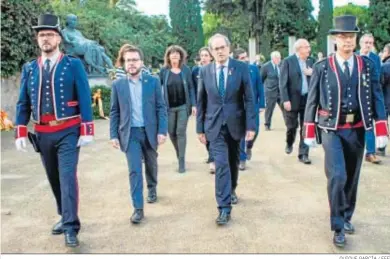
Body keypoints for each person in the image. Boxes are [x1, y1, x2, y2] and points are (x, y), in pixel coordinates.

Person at [303, 15, 388, 247]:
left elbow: (377, 96)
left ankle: (347, 215)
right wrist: (309, 130)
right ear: (335, 40)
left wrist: (381, 127)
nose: (348, 41)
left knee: (351, 177)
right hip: (332, 130)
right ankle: (338, 225)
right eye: (343, 37)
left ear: (356, 39)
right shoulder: (323, 67)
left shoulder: (367, 66)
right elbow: (311, 100)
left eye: (351, 36)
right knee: (337, 176)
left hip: (358, 129)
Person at [14, 14, 94, 247]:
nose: (45, 39)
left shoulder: (73, 64)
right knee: (54, 178)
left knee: (67, 177)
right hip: (42, 133)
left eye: (49, 34)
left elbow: (85, 97)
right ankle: (64, 214)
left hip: (69, 130)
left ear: (58, 38)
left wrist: (87, 129)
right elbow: (23, 103)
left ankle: (71, 227)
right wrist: (20, 130)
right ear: (38, 40)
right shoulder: (30, 68)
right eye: (41, 35)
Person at [197, 33, 256, 225]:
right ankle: (223, 208)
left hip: (236, 124)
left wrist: (251, 125)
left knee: (233, 162)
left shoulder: (241, 68)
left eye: (222, 47)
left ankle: (232, 189)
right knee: (221, 164)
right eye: (216, 48)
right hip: (214, 126)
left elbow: (249, 98)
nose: (220, 51)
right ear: (211, 51)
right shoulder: (205, 71)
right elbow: (201, 100)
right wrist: (200, 128)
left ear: (228, 48)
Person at [110, 44, 168, 224]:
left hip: (149, 132)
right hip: (130, 134)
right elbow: (114, 111)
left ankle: (152, 187)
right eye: (128, 61)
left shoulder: (153, 81)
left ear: (141, 62)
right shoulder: (118, 85)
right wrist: (113, 135)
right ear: (124, 64)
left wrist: (162, 130)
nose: (132, 63)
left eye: (135, 60)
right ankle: (138, 208)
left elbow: (161, 107)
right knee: (134, 170)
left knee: (151, 164)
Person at [159, 45, 196, 173]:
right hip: (168, 108)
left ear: (181, 56)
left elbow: (191, 88)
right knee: (171, 132)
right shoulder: (164, 71)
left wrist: (194, 105)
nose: (174, 55)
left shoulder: (186, 70)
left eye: (177, 53)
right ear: (168, 56)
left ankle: (181, 160)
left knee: (180, 132)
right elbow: (158, 88)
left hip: (183, 106)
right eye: (172, 53)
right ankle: (179, 153)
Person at [280, 38, 315, 164]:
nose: (309, 49)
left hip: (307, 99)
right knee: (292, 126)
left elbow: (319, 77)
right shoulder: (288, 62)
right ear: (299, 49)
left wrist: (313, 73)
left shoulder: (311, 61)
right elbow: (282, 83)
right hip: (292, 99)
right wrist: (285, 100)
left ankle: (303, 154)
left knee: (306, 126)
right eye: (307, 47)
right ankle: (289, 142)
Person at [233, 48, 265, 171]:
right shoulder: (233, 70)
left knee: (255, 129)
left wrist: (262, 104)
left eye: (246, 57)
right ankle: (242, 158)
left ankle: (249, 146)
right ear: (236, 59)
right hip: (239, 106)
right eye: (242, 58)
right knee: (241, 133)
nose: (245, 60)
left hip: (253, 106)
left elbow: (259, 87)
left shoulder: (254, 69)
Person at [357, 33, 383, 164]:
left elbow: (378, 78)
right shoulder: (354, 56)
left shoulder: (375, 59)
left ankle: (370, 152)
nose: (368, 45)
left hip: (370, 96)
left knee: (369, 125)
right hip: (355, 97)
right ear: (360, 43)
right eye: (366, 42)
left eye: (370, 43)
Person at [192, 47, 215, 173]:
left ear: (211, 57)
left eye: (206, 55)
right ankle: (211, 155)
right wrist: (194, 104)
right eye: (202, 55)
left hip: (214, 107)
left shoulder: (215, 70)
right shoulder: (196, 70)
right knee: (205, 134)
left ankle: (213, 160)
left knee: (213, 134)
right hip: (202, 107)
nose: (204, 58)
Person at [261, 51, 283, 131]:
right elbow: (261, 79)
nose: (279, 60)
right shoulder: (265, 66)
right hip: (270, 91)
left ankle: (289, 124)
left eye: (280, 58)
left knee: (285, 109)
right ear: (273, 58)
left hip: (281, 92)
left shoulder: (282, 65)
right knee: (269, 109)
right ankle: (267, 124)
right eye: (277, 58)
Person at [377, 43, 390, 156]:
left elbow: (380, 84)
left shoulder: (385, 66)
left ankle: (381, 147)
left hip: (386, 100)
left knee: (384, 124)